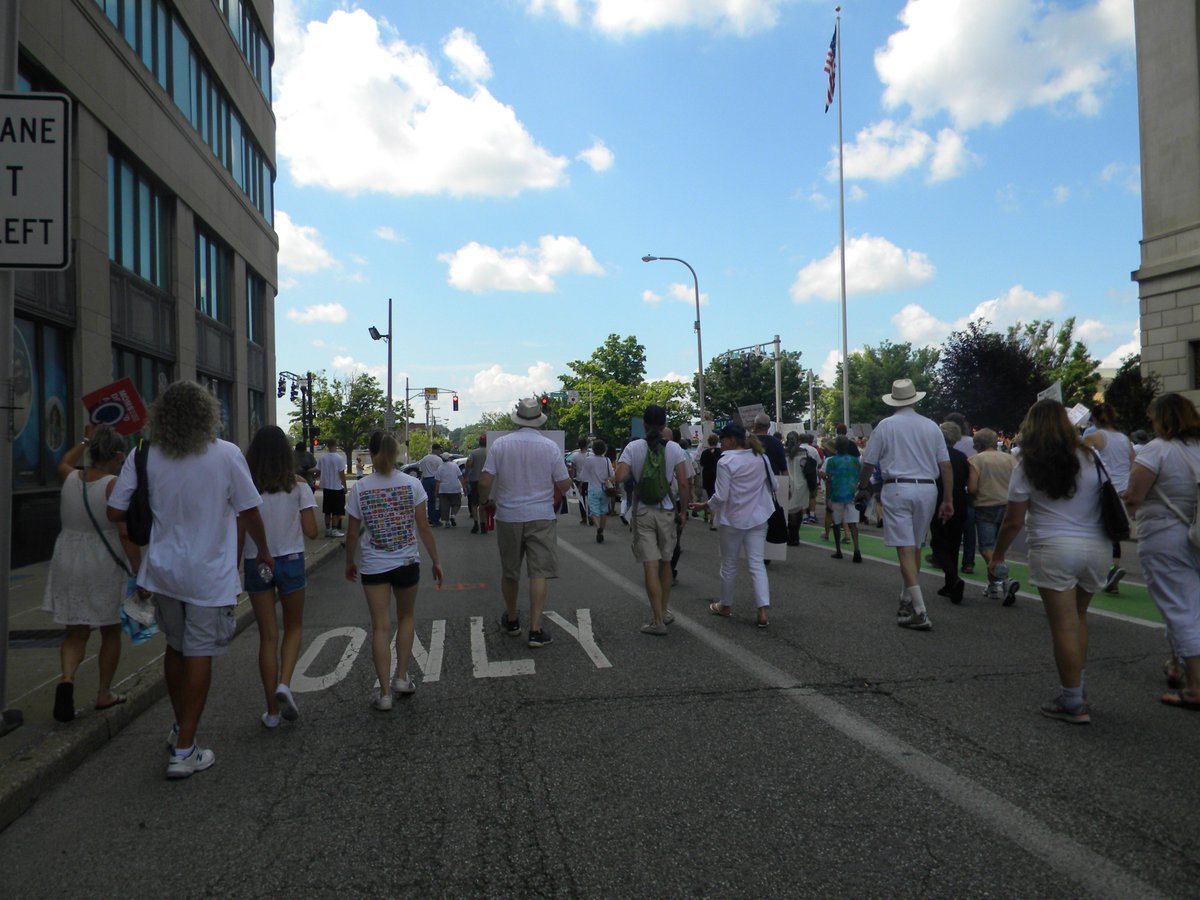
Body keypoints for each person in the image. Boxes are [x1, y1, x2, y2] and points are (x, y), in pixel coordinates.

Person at [108, 380, 273, 778]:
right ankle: (185, 749)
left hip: (162, 573)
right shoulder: (227, 455)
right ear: (207, 414)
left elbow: (116, 511)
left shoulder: (144, 455)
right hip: (208, 575)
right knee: (200, 652)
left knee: (177, 649)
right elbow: (249, 511)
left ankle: (181, 727)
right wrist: (263, 550)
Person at [990, 399, 1110, 725]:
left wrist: (998, 554)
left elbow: (1013, 521)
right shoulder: (1091, 457)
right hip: (1096, 547)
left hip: (1053, 547)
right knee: (1079, 618)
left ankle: (1072, 700)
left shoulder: (1027, 464)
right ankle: (1077, 690)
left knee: (1063, 626)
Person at [44, 424, 140, 722]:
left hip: (67, 559)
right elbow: (124, 533)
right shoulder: (113, 485)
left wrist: (84, 439)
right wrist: (138, 570)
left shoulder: (70, 478)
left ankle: (67, 679)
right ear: (117, 455)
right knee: (110, 629)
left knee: (76, 630)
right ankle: (103, 692)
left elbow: (62, 462)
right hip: (102, 561)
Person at [345, 431, 443, 711]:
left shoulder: (361, 488)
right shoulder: (412, 484)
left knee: (380, 626)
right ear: (397, 452)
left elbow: (352, 533)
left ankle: (385, 693)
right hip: (406, 562)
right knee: (406, 617)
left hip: (374, 565)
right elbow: (423, 527)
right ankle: (401, 676)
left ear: (372, 452)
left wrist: (349, 561)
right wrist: (436, 560)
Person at [1121, 393, 1200, 711]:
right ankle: (1177, 664)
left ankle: (1195, 687)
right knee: (1189, 604)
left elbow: (1133, 496)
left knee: (1179, 607)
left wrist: (1128, 503)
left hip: (1167, 537)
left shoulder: (1156, 450)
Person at [854, 379, 953, 632]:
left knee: (906, 549)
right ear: (914, 399)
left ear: (894, 401)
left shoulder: (886, 426)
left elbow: (868, 462)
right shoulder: (931, 426)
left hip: (898, 486)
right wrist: (948, 498)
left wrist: (863, 486)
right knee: (917, 545)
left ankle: (919, 610)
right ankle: (907, 600)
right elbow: (945, 465)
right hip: (928, 487)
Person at [478, 399, 572, 648]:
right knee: (538, 573)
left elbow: (485, 481)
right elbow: (564, 484)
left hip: (508, 515)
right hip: (541, 514)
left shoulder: (500, 444)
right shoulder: (550, 447)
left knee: (510, 571)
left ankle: (511, 620)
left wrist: (483, 501)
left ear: (517, 418)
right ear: (539, 418)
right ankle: (535, 629)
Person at [242, 425, 319, 728]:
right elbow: (313, 532)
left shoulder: (245, 487)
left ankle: (271, 712)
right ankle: (285, 683)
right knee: (294, 627)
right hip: (290, 560)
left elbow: (238, 528)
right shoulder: (299, 486)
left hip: (255, 561)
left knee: (267, 636)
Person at [615, 405, 692, 635]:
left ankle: (657, 620)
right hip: (667, 510)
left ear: (644, 424)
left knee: (650, 564)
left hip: (643, 513)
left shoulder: (633, 447)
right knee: (666, 562)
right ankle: (665, 610)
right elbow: (684, 483)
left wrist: (630, 472)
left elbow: (619, 476)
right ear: (664, 425)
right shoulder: (675, 448)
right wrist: (683, 511)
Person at [691, 422, 774, 628]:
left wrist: (704, 505)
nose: (720, 442)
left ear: (731, 440)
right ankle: (762, 611)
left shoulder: (725, 461)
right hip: (759, 516)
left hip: (733, 519)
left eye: (722, 439)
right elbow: (775, 484)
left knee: (729, 564)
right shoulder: (761, 457)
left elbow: (721, 496)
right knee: (757, 564)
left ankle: (725, 605)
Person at [1083, 403, 1136, 593]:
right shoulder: (1124, 438)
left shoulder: (1095, 436)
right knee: (1114, 531)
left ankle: (1105, 570)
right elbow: (1132, 463)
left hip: (1104, 488)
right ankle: (1113, 568)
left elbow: (1078, 458)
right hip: (1122, 489)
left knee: (1098, 531)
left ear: (1094, 419)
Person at [967, 427, 1018, 602]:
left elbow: (972, 488)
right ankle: (993, 586)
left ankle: (1004, 579)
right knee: (999, 548)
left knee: (986, 547)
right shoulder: (1011, 459)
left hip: (985, 505)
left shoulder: (975, 460)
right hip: (1007, 505)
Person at [929, 422, 970, 603]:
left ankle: (953, 579)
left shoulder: (935, 455)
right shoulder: (962, 457)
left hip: (940, 501)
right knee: (953, 544)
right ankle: (949, 584)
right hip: (960, 502)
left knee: (938, 543)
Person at [822, 435, 863, 563]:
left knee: (837, 523)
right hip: (851, 494)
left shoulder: (832, 461)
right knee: (853, 524)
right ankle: (856, 549)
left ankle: (838, 550)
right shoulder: (855, 461)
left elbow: (828, 480)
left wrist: (827, 498)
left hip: (836, 494)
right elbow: (860, 476)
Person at [945, 413, 977, 573]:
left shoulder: (947, 445)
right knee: (968, 528)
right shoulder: (972, 442)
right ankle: (968, 562)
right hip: (968, 487)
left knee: (946, 526)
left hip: (949, 487)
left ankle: (945, 558)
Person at [577, 438, 614, 543]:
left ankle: (598, 527)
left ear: (593, 449)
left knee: (594, 511)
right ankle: (602, 531)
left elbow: (583, 476)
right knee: (604, 511)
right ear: (604, 449)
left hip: (593, 488)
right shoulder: (607, 460)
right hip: (605, 489)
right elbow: (612, 475)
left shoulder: (589, 460)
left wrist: (580, 485)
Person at [316, 439, 347, 538]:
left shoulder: (322, 458)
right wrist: (345, 486)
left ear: (327, 446)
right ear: (335, 445)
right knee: (337, 511)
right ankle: (334, 529)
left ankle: (327, 529)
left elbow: (318, 471)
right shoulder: (339, 458)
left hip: (326, 487)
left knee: (327, 510)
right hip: (337, 487)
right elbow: (341, 474)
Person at [464, 434, 488, 533]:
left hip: (474, 479)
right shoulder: (490, 452)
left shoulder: (474, 453)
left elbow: (469, 464)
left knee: (474, 503)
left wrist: (466, 475)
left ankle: (475, 523)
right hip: (486, 480)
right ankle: (483, 524)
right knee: (484, 502)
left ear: (479, 442)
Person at [699, 433, 721, 530]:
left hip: (707, 476)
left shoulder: (704, 453)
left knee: (710, 496)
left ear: (708, 442)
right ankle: (716, 518)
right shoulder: (721, 452)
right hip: (718, 475)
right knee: (718, 495)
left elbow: (702, 463)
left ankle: (713, 518)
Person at [418, 443, 444, 526]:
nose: (440, 452)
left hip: (426, 480)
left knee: (430, 501)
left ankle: (431, 517)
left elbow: (420, 470)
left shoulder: (424, 459)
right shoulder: (438, 459)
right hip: (435, 480)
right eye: (439, 450)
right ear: (436, 449)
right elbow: (441, 471)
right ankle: (436, 519)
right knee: (438, 500)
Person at [436, 452, 465, 527]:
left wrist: (436, 491)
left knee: (445, 506)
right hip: (454, 488)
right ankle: (453, 515)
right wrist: (464, 486)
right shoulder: (455, 466)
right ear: (449, 458)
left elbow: (438, 481)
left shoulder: (440, 467)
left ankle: (447, 522)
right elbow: (460, 477)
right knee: (456, 503)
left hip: (443, 489)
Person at [570, 437, 591, 525]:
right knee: (590, 499)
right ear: (586, 445)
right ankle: (591, 516)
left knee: (581, 500)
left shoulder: (575, 455)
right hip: (590, 480)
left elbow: (572, 469)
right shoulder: (590, 454)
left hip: (579, 480)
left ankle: (583, 518)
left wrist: (571, 479)